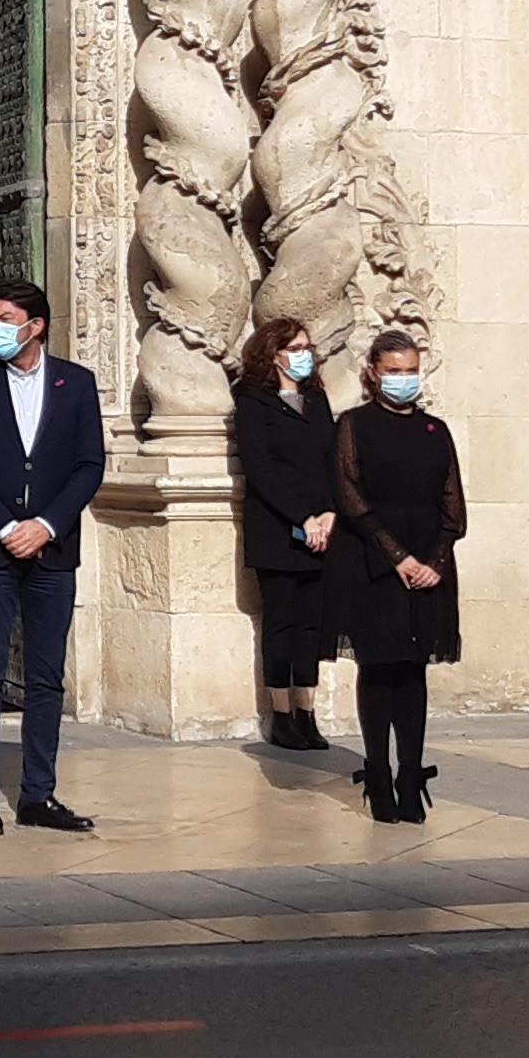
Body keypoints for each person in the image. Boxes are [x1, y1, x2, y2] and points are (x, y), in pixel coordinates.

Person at [0, 278, 107, 835]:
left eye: (7, 317)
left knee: (45, 676)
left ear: (36, 326)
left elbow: (89, 465)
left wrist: (47, 524)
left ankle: (39, 794)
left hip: (53, 549)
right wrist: (6, 524)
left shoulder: (76, 384)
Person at [325, 327, 460, 822]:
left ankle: (411, 773)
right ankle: (378, 773)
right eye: (394, 372)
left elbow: (453, 505)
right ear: (373, 373)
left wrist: (434, 563)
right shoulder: (354, 425)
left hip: (428, 562)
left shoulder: (435, 430)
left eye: (410, 371)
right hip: (373, 563)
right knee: (378, 667)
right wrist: (398, 558)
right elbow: (349, 495)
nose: (404, 380)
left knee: (413, 669)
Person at [230, 319, 341, 753]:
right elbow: (261, 468)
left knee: (312, 623)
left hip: (322, 527)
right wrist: (302, 517)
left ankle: (306, 711)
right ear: (272, 352)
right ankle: (280, 714)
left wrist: (330, 512)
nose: (303, 353)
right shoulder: (253, 400)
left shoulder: (315, 397)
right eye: (294, 346)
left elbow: (332, 456)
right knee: (282, 622)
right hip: (277, 528)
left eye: (306, 346)